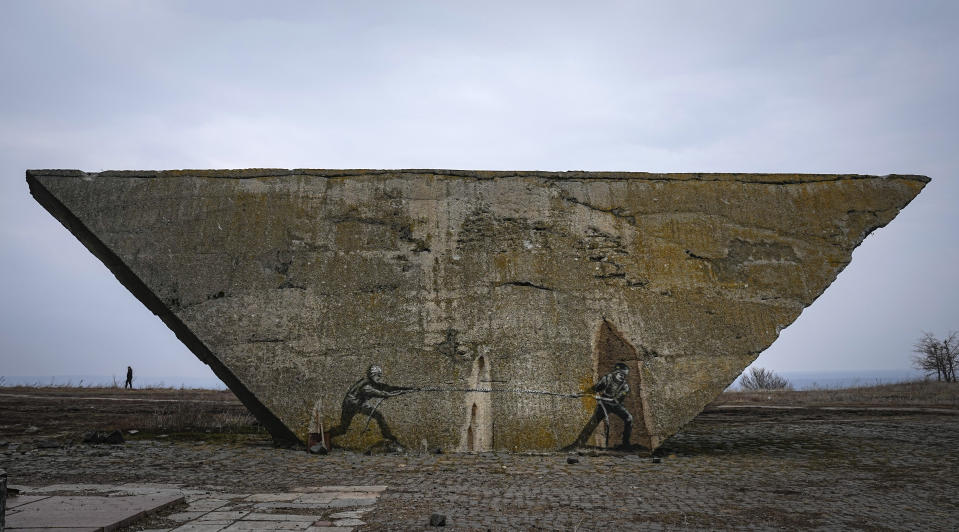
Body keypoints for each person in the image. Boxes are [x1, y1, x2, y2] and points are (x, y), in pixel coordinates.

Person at [326, 365, 415, 447]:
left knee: (343, 428)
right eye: (378, 375)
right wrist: (396, 393)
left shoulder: (369, 382)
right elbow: (380, 393)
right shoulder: (367, 386)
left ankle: (325, 436)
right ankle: (324, 437)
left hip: (353, 405)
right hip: (353, 405)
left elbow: (388, 388)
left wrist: (407, 389)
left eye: (380, 375)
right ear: (372, 375)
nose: (379, 377)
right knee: (377, 415)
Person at [565, 362, 633, 449]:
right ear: (615, 372)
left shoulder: (625, 387)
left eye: (624, 375)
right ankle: (579, 443)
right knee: (593, 422)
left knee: (629, 418)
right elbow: (595, 389)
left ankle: (625, 444)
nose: (622, 377)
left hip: (615, 405)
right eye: (621, 374)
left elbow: (615, 400)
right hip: (604, 404)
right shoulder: (607, 379)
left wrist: (600, 398)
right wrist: (579, 394)